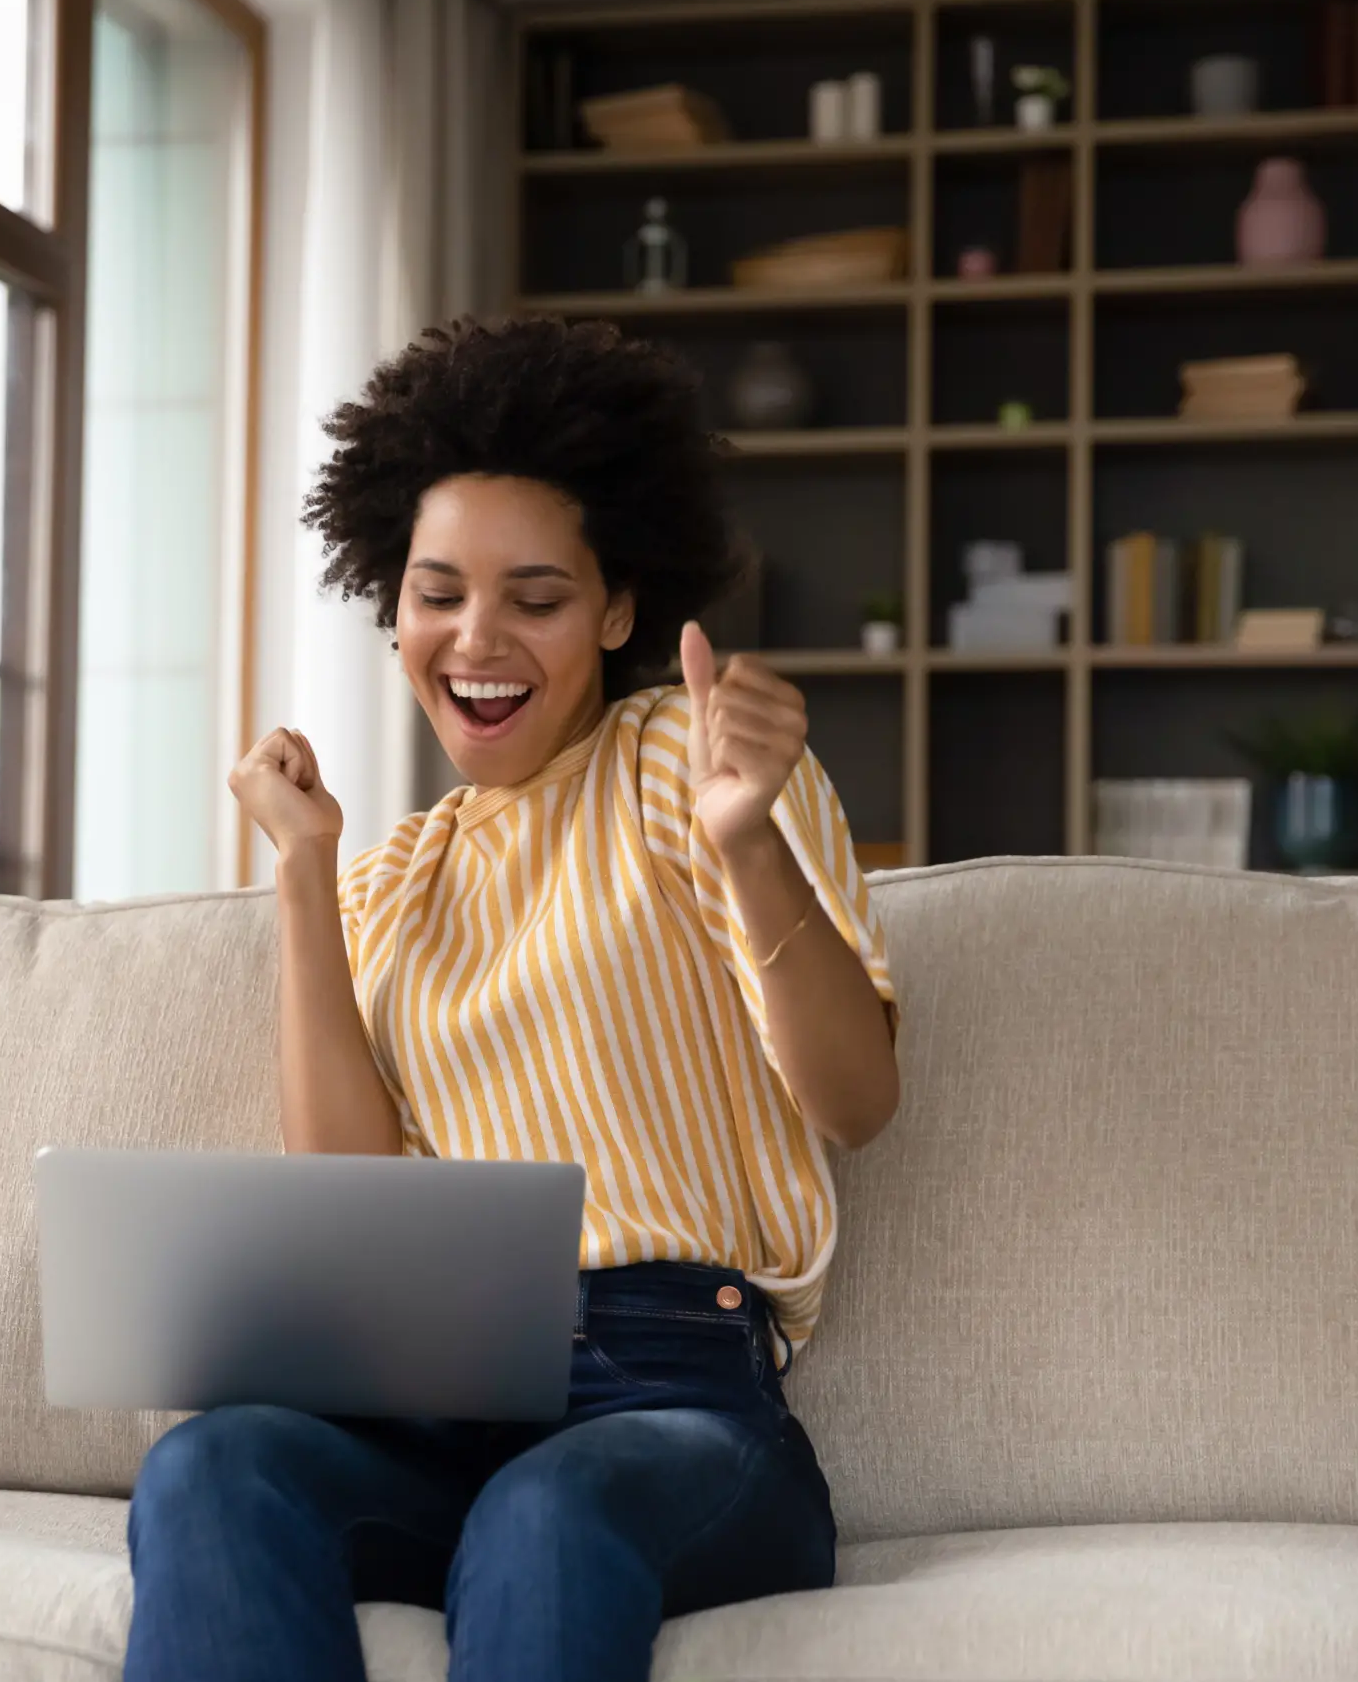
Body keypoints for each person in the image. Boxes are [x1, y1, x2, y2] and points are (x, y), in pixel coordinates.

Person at [122, 316, 903, 1682]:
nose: (476, 638)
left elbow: (858, 1099)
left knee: (546, 1513)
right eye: (438, 593)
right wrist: (306, 873)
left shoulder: (685, 765)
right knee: (213, 1463)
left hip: (674, 1395)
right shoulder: (394, 877)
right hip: (430, 1398)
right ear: (392, 604)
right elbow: (351, 1194)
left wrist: (748, 841)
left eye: (534, 596)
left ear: (615, 609)